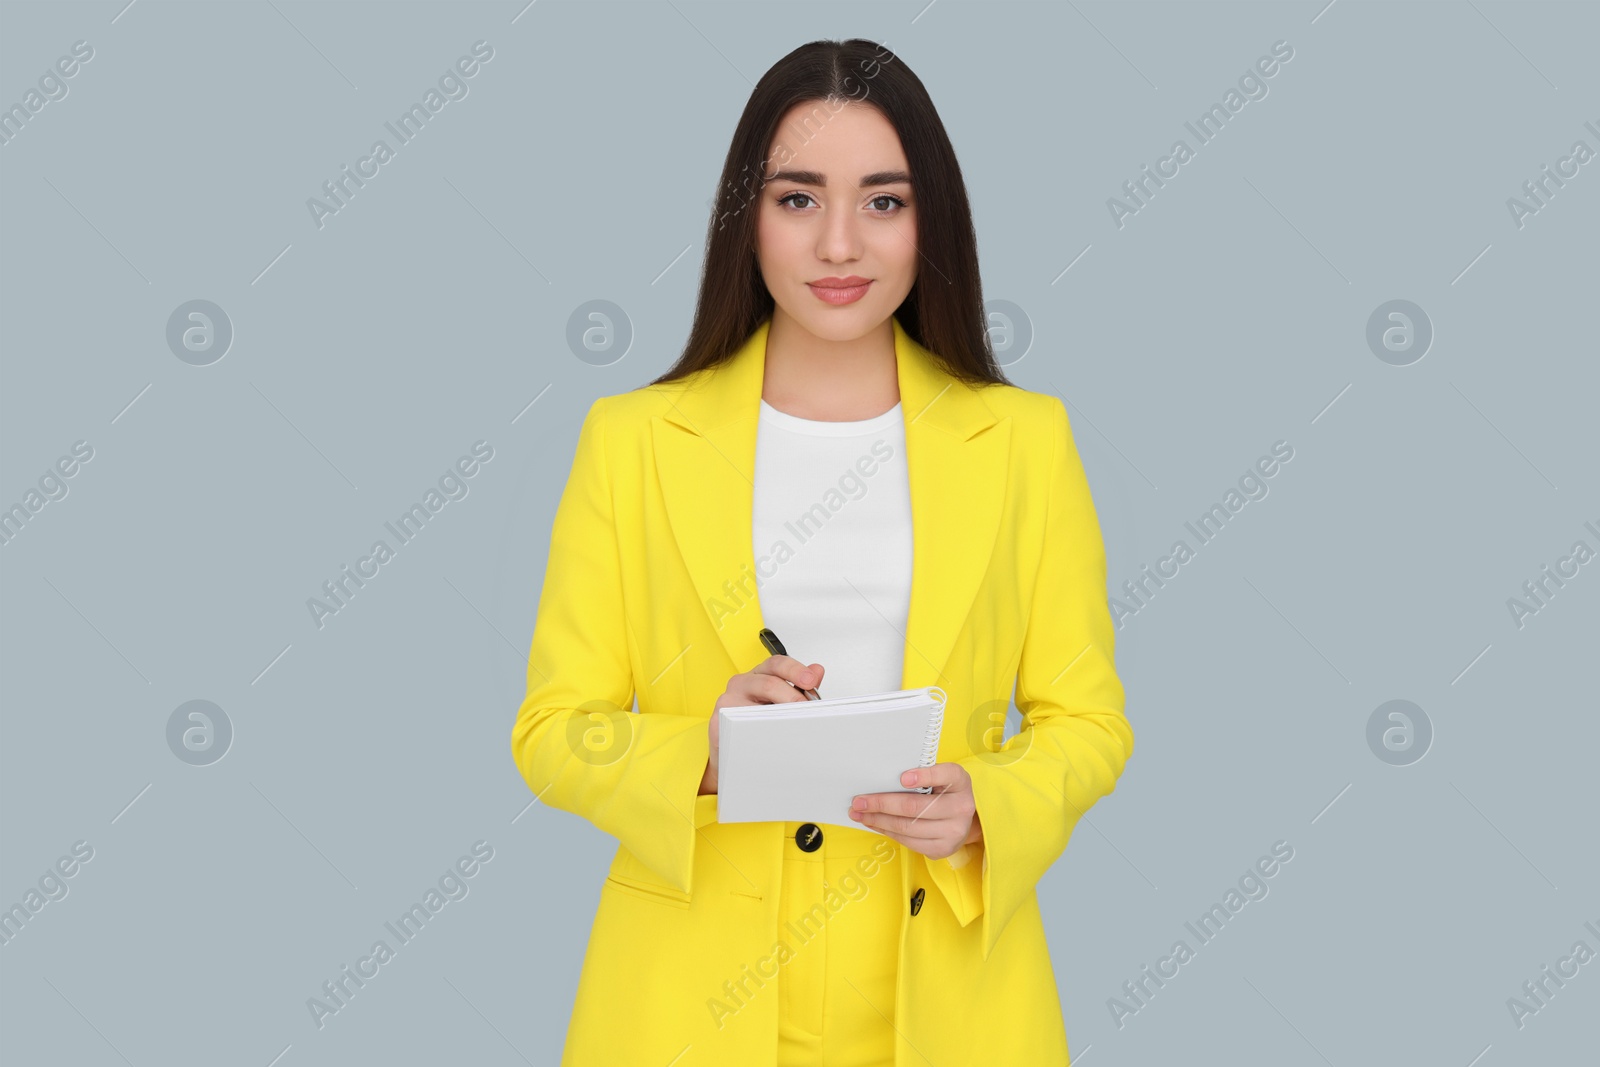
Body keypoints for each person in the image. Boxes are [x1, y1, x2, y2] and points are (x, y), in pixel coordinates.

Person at [511, 37, 1134, 1067]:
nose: (840, 244)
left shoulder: (1026, 440)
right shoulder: (630, 441)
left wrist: (993, 801)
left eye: (883, 201)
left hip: (949, 1005)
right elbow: (552, 730)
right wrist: (702, 749)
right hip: (686, 1007)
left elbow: (1089, 721)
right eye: (798, 199)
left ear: (929, 220)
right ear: (744, 218)